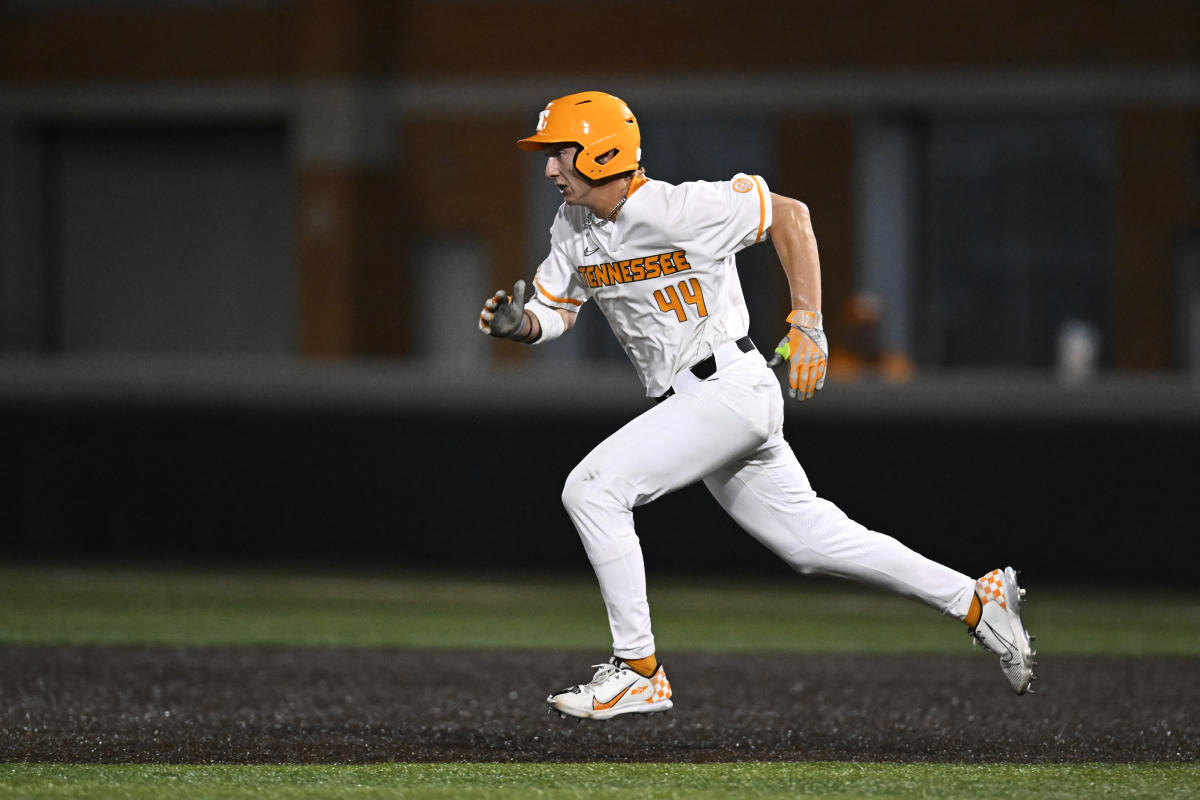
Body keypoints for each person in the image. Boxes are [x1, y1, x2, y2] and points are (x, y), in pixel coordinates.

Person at [478, 91, 1035, 720]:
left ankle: (638, 669)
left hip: (730, 386)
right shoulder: (572, 227)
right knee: (812, 541)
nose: (550, 167)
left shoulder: (681, 206)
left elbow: (790, 216)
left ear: (604, 150)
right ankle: (976, 599)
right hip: (697, 402)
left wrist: (808, 324)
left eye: (561, 152)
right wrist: (519, 326)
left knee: (593, 489)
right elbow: (556, 311)